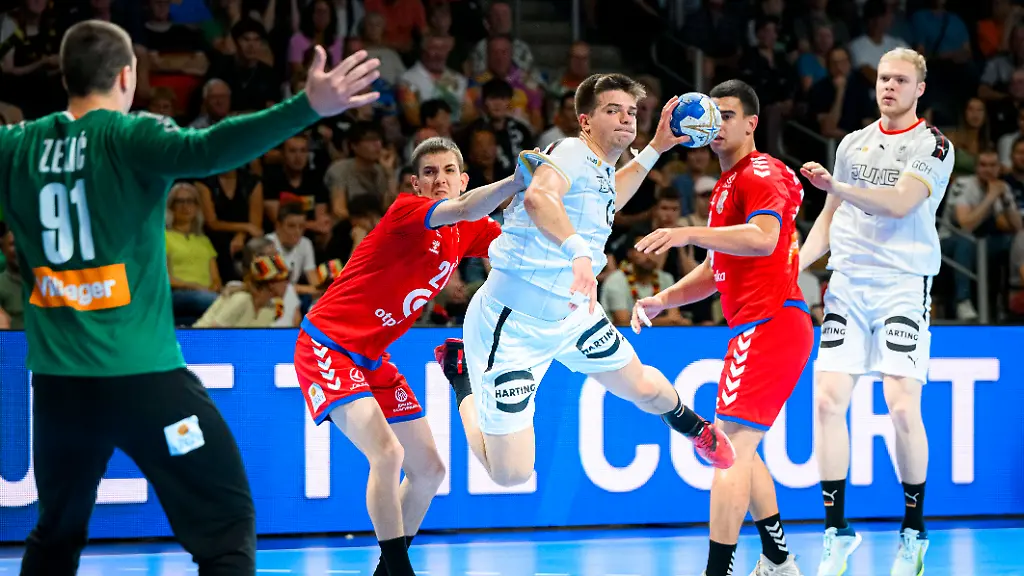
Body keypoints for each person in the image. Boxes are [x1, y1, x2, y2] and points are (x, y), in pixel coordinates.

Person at [0, 19, 382, 576]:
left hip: (58, 394)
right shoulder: (128, 136)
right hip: (143, 382)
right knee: (226, 526)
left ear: (64, 78)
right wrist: (306, 106)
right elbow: (209, 149)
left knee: (55, 536)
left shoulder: (16, 147)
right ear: (126, 76)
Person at [433, 73, 736, 497]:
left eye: (631, 112)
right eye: (613, 110)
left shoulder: (599, 167)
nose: (626, 119)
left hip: (574, 314)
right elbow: (538, 198)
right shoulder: (571, 151)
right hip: (514, 324)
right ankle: (462, 375)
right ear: (585, 120)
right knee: (511, 474)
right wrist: (577, 252)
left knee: (643, 385)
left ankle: (693, 426)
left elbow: (611, 195)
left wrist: (657, 147)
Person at [293, 136, 525, 576]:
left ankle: (385, 572)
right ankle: (400, 570)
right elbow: (465, 208)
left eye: (449, 172)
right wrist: (516, 181)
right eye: (430, 173)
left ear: (463, 179)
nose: (440, 180)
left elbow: (517, 246)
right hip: (328, 345)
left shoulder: (469, 228)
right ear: (416, 185)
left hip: (371, 358)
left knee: (429, 471)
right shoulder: (408, 212)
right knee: (387, 455)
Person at [633, 80, 813, 576]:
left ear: (752, 123)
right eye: (713, 114)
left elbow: (763, 238)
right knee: (741, 447)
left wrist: (687, 232)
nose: (716, 123)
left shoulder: (760, 171)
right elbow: (717, 269)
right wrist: (664, 299)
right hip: (764, 324)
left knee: (727, 449)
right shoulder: (728, 185)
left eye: (727, 115)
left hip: (769, 321)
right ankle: (778, 560)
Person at [799, 47, 953, 576]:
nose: (889, 86)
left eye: (900, 80)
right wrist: (795, 266)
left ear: (919, 89)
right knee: (826, 401)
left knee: (902, 406)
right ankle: (836, 531)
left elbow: (900, 203)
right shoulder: (852, 143)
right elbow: (829, 217)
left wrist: (835, 185)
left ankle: (913, 530)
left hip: (902, 285)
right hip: (847, 284)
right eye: (884, 78)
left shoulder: (933, 145)